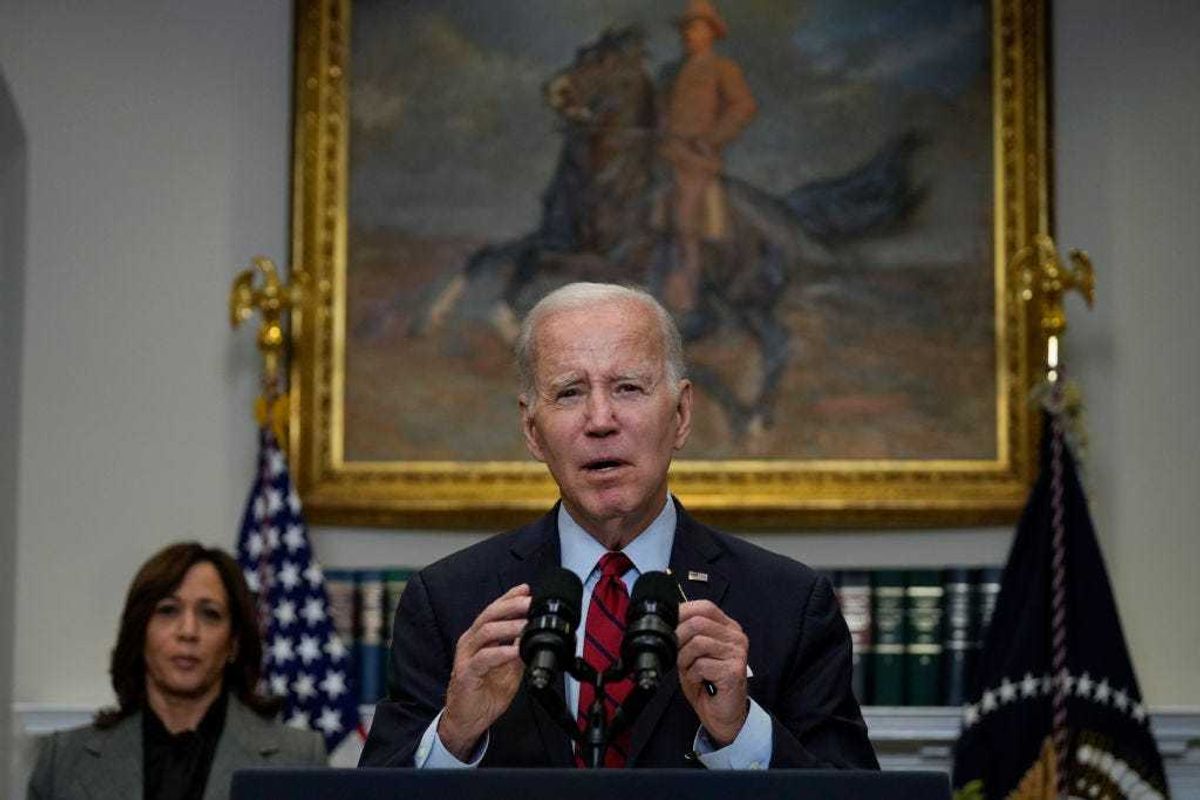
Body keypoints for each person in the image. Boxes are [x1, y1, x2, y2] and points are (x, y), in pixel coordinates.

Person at [359, 282, 877, 769]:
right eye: (569, 393)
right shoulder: (448, 601)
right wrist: (454, 733)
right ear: (532, 431)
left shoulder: (790, 603)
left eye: (628, 388)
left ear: (681, 415)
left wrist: (740, 732)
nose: (601, 420)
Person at [28, 542, 325, 800]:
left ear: (233, 643)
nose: (188, 631)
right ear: (140, 631)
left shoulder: (298, 758)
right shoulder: (63, 760)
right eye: (168, 610)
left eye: (210, 614)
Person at [657, 0, 757, 319]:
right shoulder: (670, 72)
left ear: (711, 33)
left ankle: (687, 292)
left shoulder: (722, 68)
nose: (689, 34)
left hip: (696, 160)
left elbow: (744, 106)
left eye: (697, 28)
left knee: (685, 218)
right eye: (686, 28)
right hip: (663, 155)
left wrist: (710, 139)